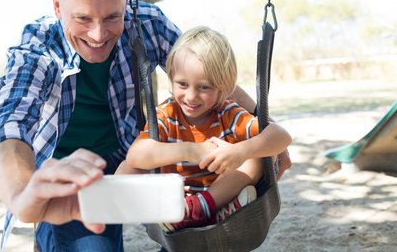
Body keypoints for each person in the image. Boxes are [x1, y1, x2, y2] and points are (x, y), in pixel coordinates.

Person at [0, 0, 290, 251]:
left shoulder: (144, 22)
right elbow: (10, 124)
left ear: (126, 4)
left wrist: (268, 132)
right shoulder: (39, 47)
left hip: (129, 153)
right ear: (57, 5)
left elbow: (209, 73)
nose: (98, 33)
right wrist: (21, 194)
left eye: (112, 16)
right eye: (83, 18)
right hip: (70, 171)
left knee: (195, 236)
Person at [124, 26, 292, 232]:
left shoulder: (227, 113)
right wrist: (189, 150)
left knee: (260, 156)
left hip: (217, 195)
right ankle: (181, 210)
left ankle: (206, 209)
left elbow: (281, 136)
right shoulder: (167, 114)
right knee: (129, 166)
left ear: (223, 87)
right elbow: (135, 156)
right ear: (171, 79)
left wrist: (240, 151)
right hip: (175, 202)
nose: (191, 96)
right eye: (182, 84)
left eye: (203, 87)